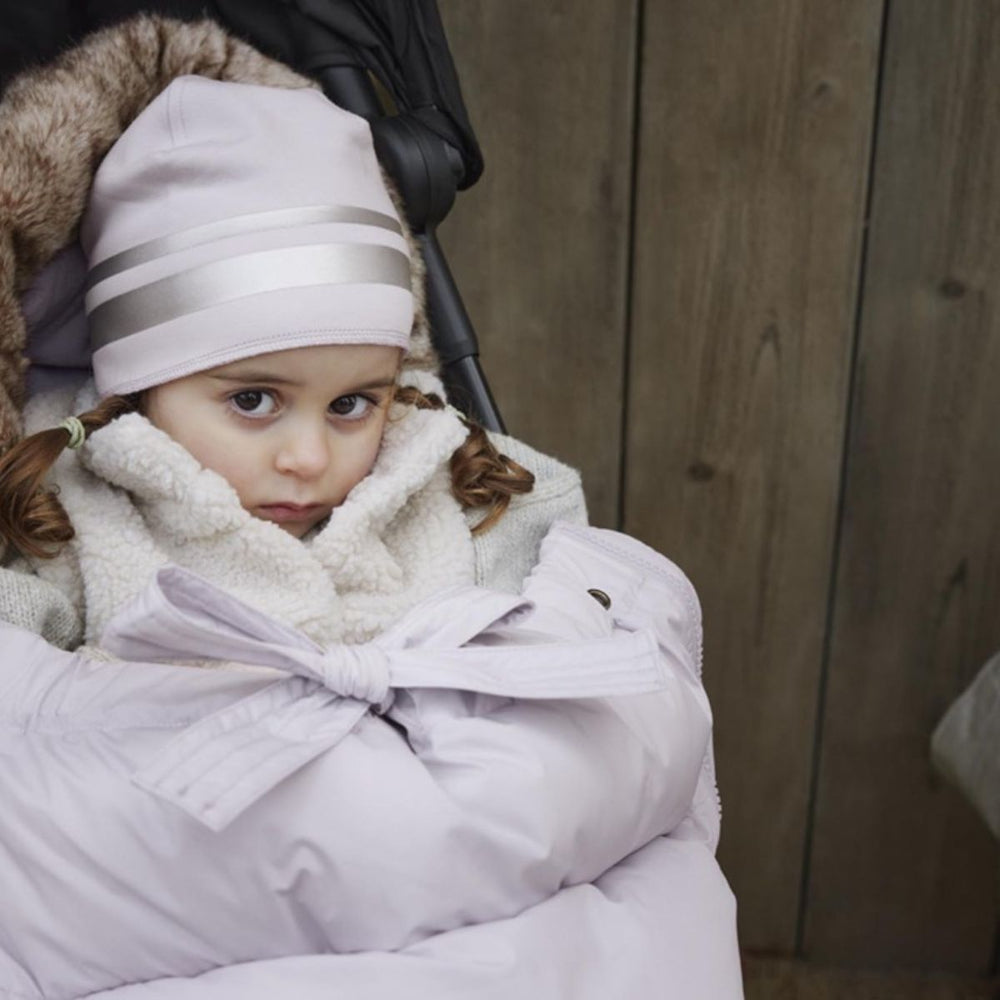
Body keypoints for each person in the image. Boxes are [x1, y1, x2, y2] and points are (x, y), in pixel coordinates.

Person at [0, 15, 743, 1000]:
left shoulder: (447, 479)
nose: (310, 455)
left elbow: (602, 669)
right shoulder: (68, 514)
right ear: (140, 387)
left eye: (353, 402)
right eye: (252, 400)